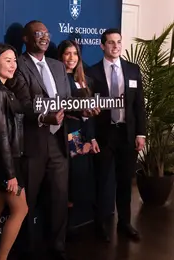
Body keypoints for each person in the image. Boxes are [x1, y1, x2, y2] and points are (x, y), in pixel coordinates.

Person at [6, 20, 75, 260]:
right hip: (32, 144)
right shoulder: (19, 65)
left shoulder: (57, 66)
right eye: (38, 33)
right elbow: (21, 103)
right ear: (25, 39)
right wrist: (44, 117)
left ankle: (57, 248)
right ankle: (26, 251)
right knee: (28, 203)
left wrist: (82, 111)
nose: (44, 37)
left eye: (47, 33)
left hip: (58, 143)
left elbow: (67, 101)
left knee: (58, 201)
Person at [85, 28, 146, 243]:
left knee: (124, 181)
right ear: (102, 46)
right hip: (104, 135)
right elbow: (88, 111)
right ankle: (100, 225)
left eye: (118, 42)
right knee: (102, 181)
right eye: (110, 42)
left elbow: (139, 106)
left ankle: (125, 223)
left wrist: (141, 134)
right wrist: (91, 137)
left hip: (127, 134)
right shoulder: (92, 73)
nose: (116, 46)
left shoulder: (132, 70)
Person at [0, 43, 28, 260]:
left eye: (14, 60)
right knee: (21, 210)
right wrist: (11, 173)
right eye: (7, 60)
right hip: (8, 161)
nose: (13, 65)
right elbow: (1, 134)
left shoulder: (3, 89)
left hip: (2, 160)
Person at [57, 40, 100, 235]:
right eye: (67, 53)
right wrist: (77, 142)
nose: (71, 58)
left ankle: (78, 223)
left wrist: (90, 139)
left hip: (84, 132)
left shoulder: (86, 79)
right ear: (61, 56)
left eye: (75, 53)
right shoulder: (58, 78)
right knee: (69, 180)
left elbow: (89, 113)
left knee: (82, 179)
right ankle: (65, 229)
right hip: (67, 134)